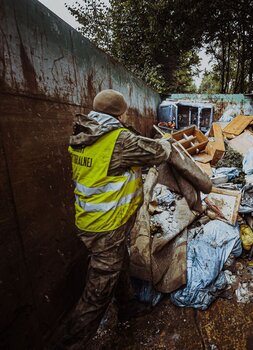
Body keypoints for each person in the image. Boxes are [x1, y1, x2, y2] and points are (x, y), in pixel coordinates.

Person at [59, 89, 171, 348]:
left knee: (120, 261)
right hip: (107, 226)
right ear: (120, 113)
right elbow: (158, 153)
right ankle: (71, 342)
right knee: (98, 290)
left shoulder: (83, 133)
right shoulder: (117, 140)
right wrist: (167, 141)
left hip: (90, 220)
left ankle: (128, 306)